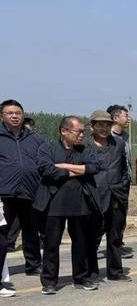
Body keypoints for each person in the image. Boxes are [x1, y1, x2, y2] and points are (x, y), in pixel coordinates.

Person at [33, 116, 101, 294]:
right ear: (63, 131)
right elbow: (47, 170)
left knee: (81, 243)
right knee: (51, 244)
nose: (82, 135)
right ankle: (49, 281)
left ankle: (81, 277)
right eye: (78, 132)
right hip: (54, 202)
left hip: (80, 202)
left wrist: (64, 166)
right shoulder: (47, 148)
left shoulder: (85, 149)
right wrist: (78, 170)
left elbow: (93, 167)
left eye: (83, 132)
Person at [0, 99, 44, 279]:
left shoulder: (35, 138)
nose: (14, 116)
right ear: (2, 116)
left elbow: (44, 161)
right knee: (2, 233)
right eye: (10, 113)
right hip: (4, 193)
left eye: (18, 113)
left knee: (31, 231)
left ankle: (33, 265)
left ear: (23, 115)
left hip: (30, 191)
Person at [87, 110, 131, 283]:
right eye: (100, 125)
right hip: (94, 196)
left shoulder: (118, 143)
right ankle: (91, 273)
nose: (104, 128)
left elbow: (123, 168)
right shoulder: (84, 144)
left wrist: (123, 186)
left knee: (115, 237)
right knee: (92, 237)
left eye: (107, 125)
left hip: (116, 196)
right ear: (92, 126)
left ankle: (115, 271)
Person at [107, 103, 134, 258]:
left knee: (120, 217)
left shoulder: (125, 136)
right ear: (116, 118)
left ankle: (117, 245)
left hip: (124, 181)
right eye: (125, 115)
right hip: (111, 182)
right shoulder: (107, 137)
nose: (128, 118)